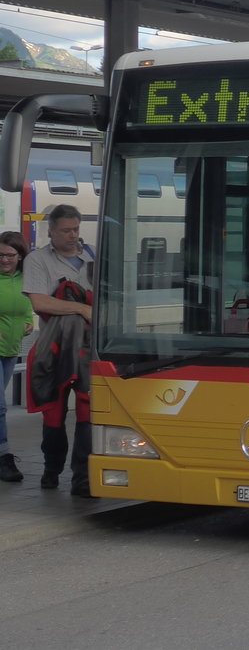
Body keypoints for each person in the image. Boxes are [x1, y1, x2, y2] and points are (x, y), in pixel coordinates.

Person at [22, 204, 95, 497]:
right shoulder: (38, 260)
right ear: (50, 231)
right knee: (53, 413)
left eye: (76, 229)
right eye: (66, 230)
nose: (73, 235)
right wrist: (81, 308)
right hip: (53, 348)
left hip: (89, 349)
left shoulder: (92, 256)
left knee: (88, 411)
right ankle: (52, 469)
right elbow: (40, 303)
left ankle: (83, 478)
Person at [0, 231, 35, 483]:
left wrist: (27, 322)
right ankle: (4, 458)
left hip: (11, 351)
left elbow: (25, 309)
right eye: (0, 254)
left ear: (20, 256)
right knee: (0, 407)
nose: (4, 260)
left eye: (10, 255)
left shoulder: (26, 280)